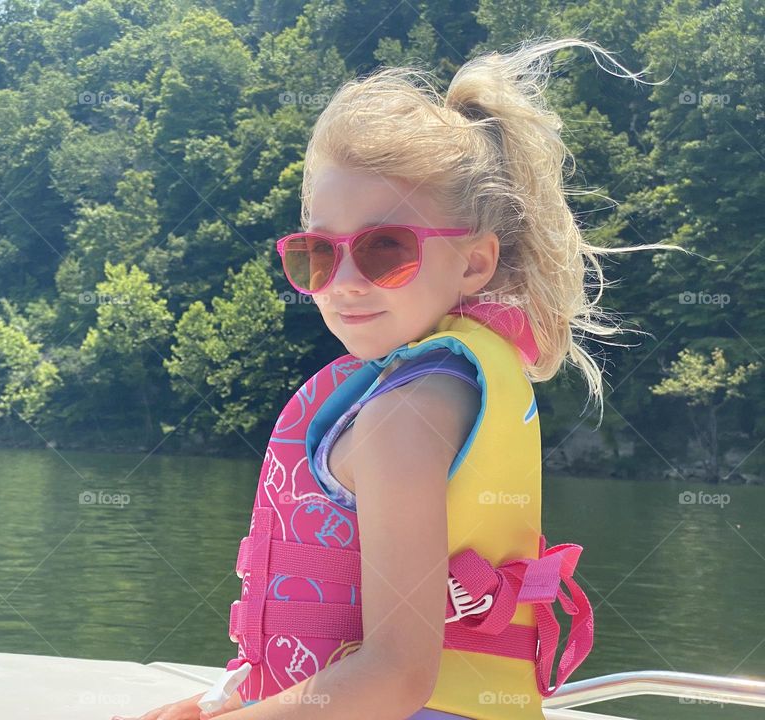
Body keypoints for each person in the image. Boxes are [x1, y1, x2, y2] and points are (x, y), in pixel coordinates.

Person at [120, 35, 682, 720]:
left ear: (474, 264)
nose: (346, 282)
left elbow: (394, 677)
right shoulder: (452, 382)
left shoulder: (402, 418)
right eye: (317, 254)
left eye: (385, 249)